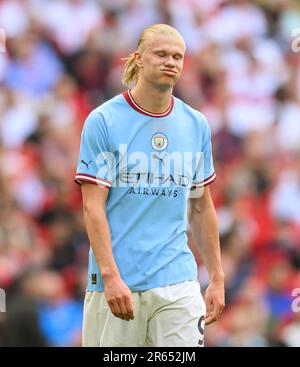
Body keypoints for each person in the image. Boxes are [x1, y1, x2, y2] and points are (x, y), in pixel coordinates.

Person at [75, 23, 225, 347]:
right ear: (139, 58)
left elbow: (200, 205)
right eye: (161, 54)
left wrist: (216, 277)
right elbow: (92, 206)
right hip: (116, 284)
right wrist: (110, 276)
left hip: (178, 281)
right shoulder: (104, 121)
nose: (170, 61)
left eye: (178, 56)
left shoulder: (195, 124)